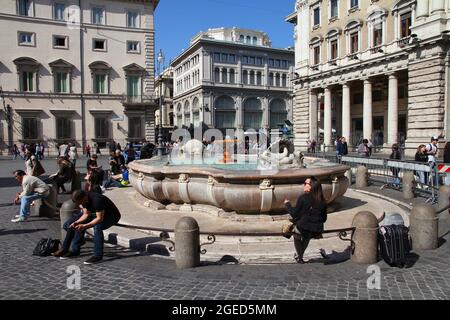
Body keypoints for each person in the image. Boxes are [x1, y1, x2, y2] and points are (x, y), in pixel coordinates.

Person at [52, 190, 121, 264]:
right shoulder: (83, 199)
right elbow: (86, 214)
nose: (80, 204)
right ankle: (69, 249)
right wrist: (76, 222)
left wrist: (85, 226)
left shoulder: (97, 201)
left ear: (84, 197)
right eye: (78, 203)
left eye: (80, 202)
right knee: (70, 224)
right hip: (93, 214)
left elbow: (99, 219)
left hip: (111, 216)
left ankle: (98, 255)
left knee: (97, 227)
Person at [283, 176, 327, 264]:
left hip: (303, 227)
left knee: (296, 234)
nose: (304, 185)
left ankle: (300, 257)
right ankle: (299, 256)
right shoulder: (322, 200)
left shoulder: (303, 197)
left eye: (305, 183)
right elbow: (324, 218)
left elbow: (294, 214)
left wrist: (287, 204)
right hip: (315, 229)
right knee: (306, 235)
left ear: (311, 186)